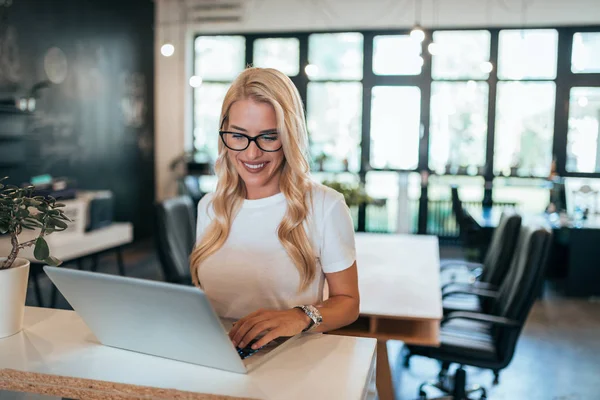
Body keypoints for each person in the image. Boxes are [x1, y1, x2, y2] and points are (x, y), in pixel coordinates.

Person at [190, 67, 359, 352]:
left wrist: (299, 316)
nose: (251, 153)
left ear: (289, 137)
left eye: (268, 137)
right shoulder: (210, 205)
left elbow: (349, 304)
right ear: (224, 133)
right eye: (238, 135)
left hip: (291, 359)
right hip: (216, 355)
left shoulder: (325, 206)